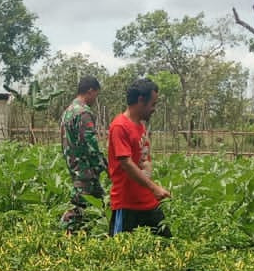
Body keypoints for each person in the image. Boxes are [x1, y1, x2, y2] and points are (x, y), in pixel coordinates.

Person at [108, 78, 171, 237]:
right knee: (119, 253)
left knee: (168, 246)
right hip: (126, 203)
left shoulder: (140, 126)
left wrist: (148, 168)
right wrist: (154, 188)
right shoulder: (120, 126)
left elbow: (141, 159)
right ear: (141, 100)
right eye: (153, 104)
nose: (154, 109)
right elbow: (126, 164)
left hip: (147, 200)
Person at [59, 76, 108, 234]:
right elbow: (90, 144)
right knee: (80, 205)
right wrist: (104, 166)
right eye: (96, 95)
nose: (95, 99)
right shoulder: (84, 113)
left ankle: (93, 235)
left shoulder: (68, 112)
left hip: (74, 164)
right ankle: (62, 233)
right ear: (90, 91)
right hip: (85, 167)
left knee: (100, 200)